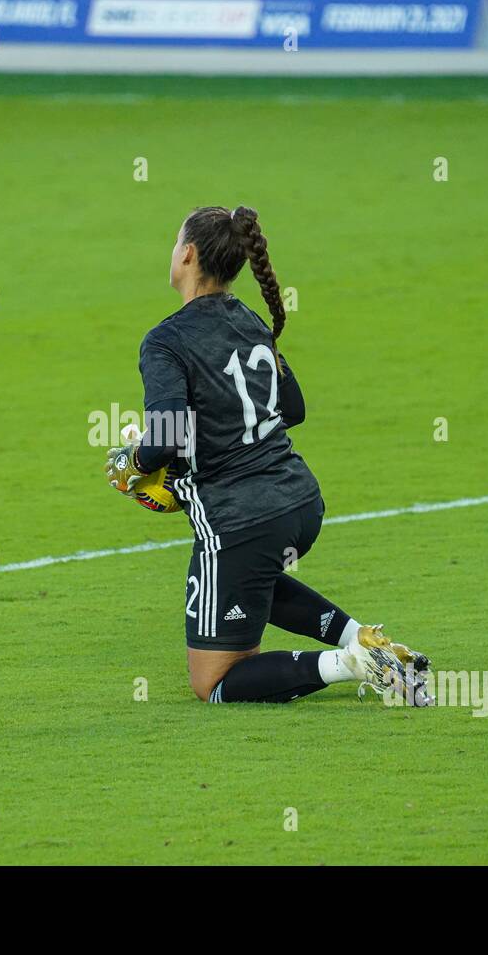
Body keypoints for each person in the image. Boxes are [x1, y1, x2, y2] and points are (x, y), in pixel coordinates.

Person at [105, 205, 432, 705]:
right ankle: (360, 638)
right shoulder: (250, 320)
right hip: (301, 505)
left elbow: (166, 438)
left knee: (213, 681)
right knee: (254, 579)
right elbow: (293, 408)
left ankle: (351, 664)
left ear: (187, 254)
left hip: (241, 522)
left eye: (176, 243)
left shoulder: (166, 341)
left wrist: (134, 463)